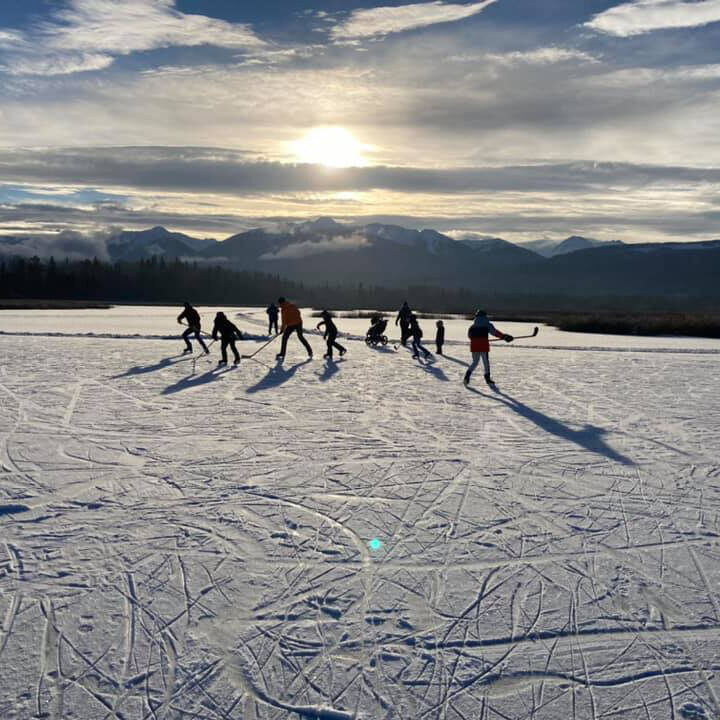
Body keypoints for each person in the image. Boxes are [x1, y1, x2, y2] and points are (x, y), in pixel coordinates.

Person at [463, 310, 513, 387]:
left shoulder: (472, 326)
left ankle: (466, 377)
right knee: (486, 363)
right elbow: (494, 332)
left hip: (474, 346)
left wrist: (477, 339)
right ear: (485, 316)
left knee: (475, 362)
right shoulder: (487, 324)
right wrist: (504, 336)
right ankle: (487, 379)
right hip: (483, 346)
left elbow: (470, 336)